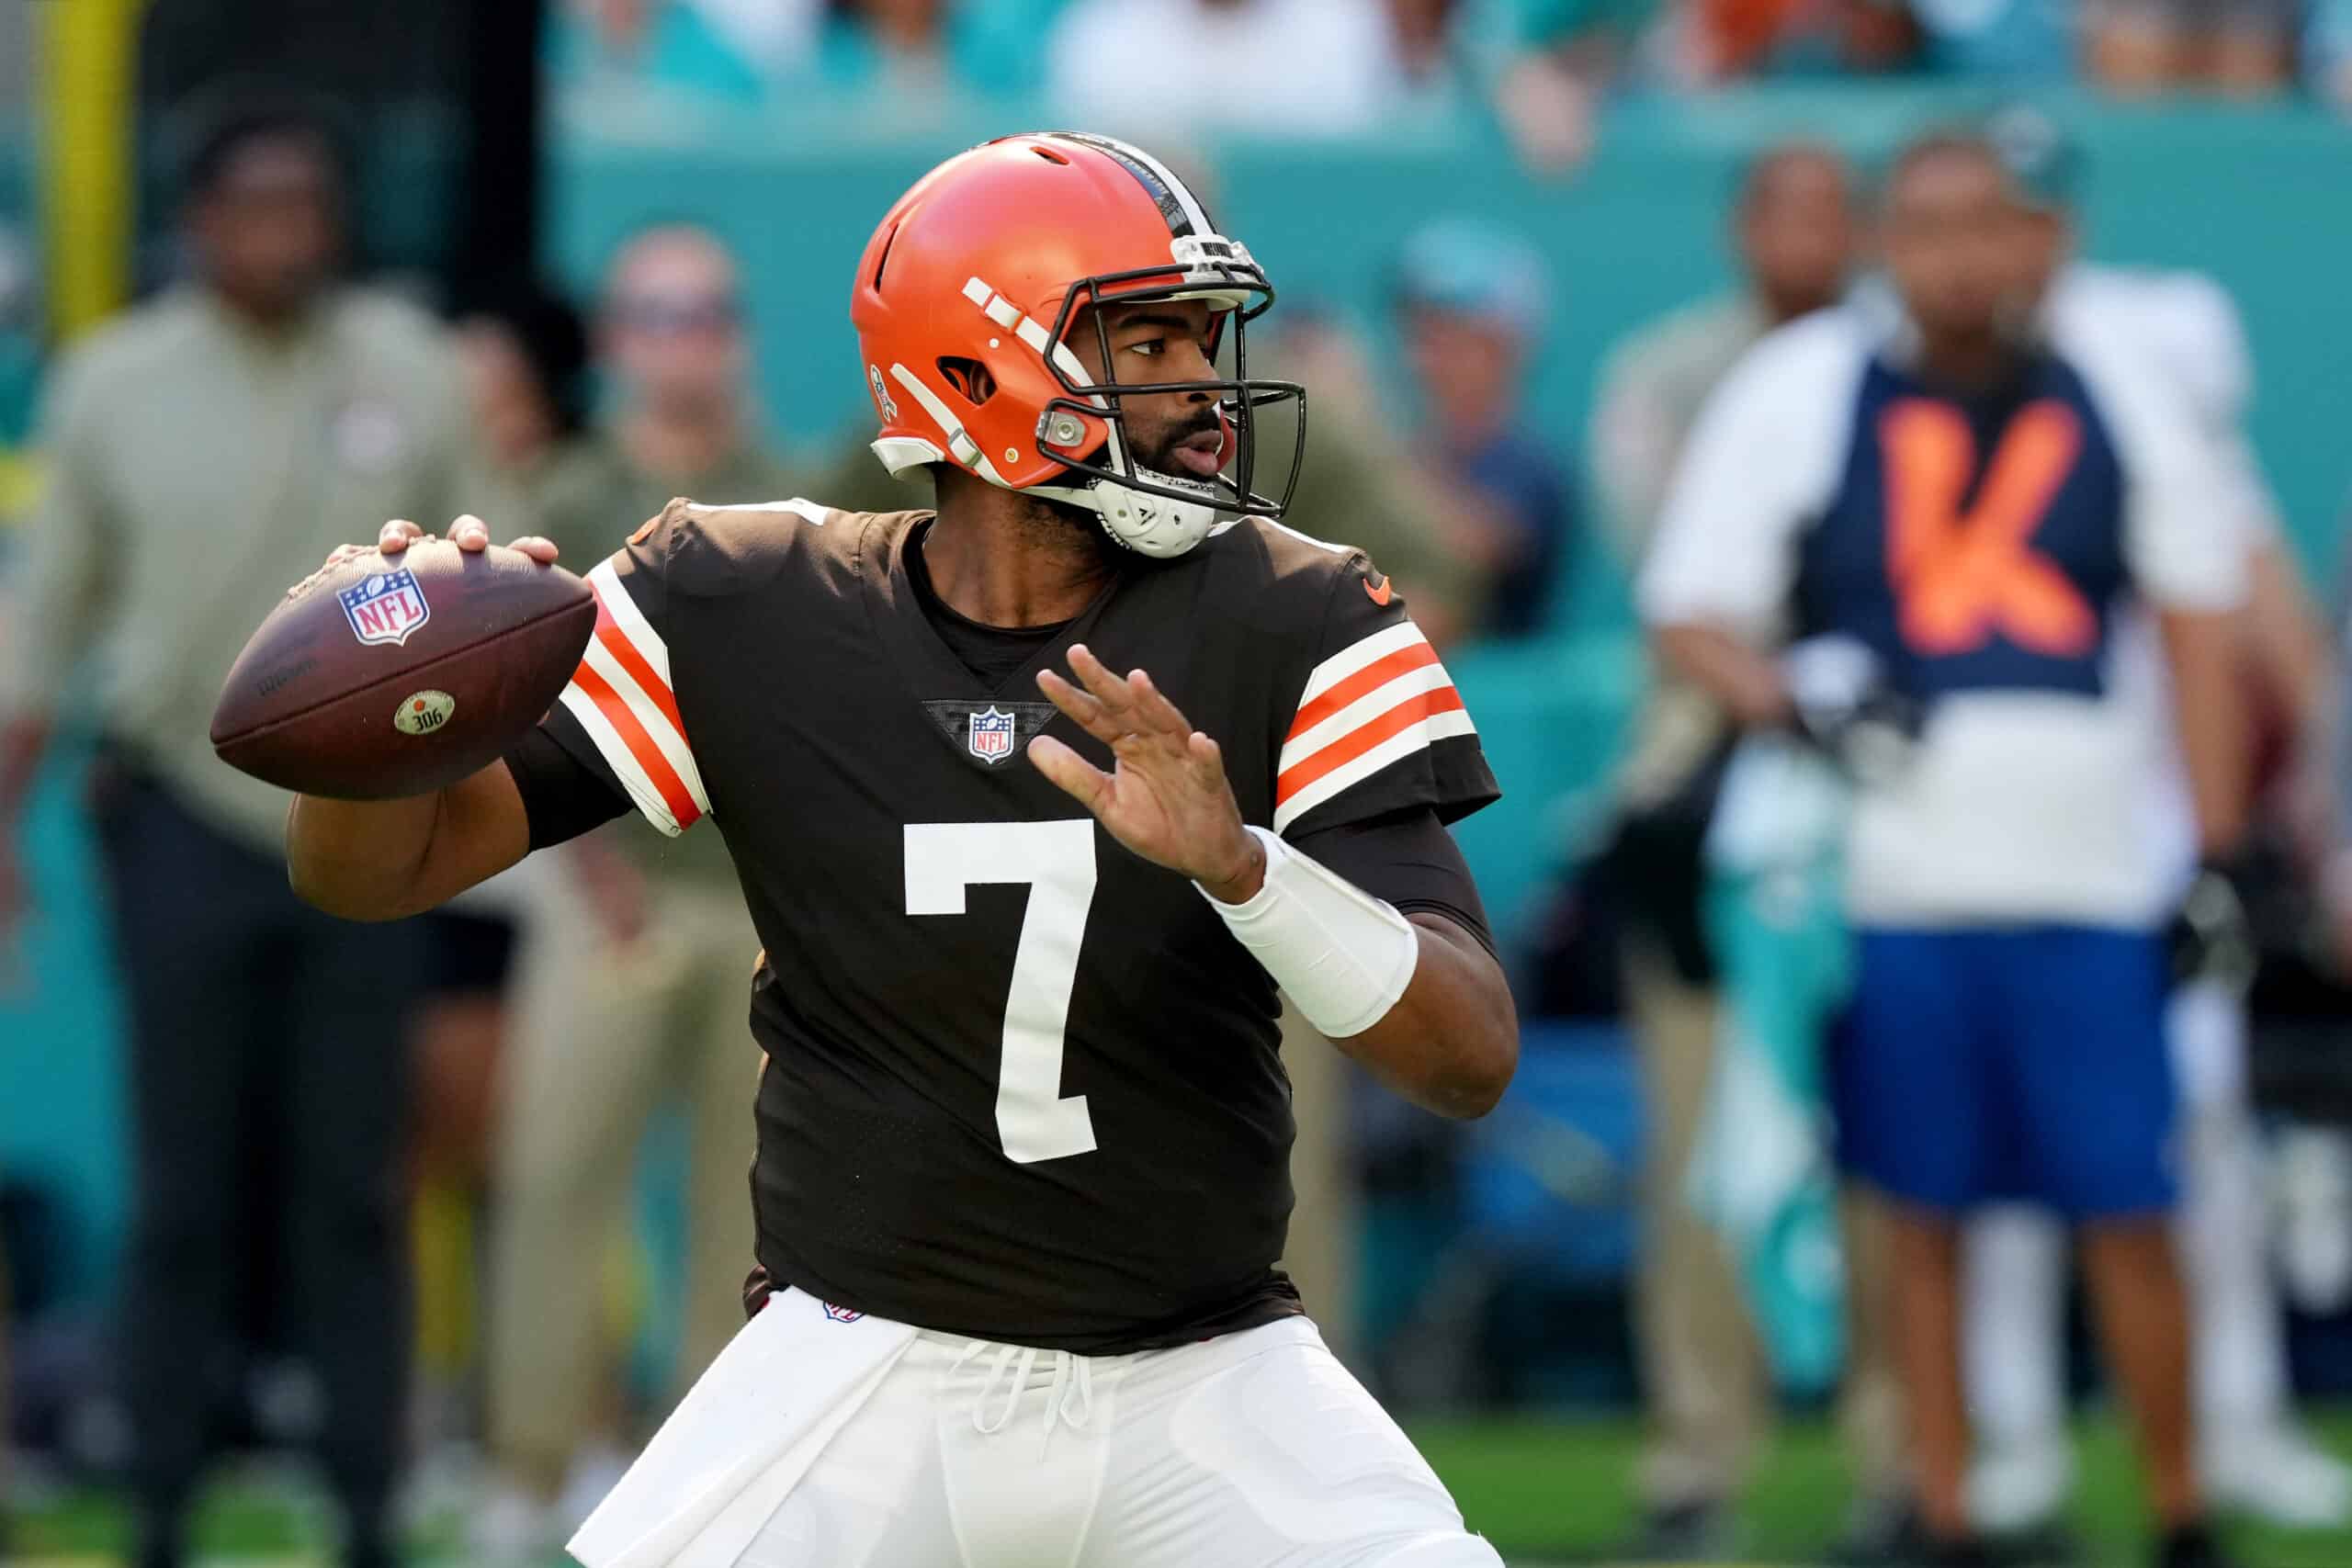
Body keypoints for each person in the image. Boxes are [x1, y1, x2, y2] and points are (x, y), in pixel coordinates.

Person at [287, 131, 1518, 1567]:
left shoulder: (1296, 617)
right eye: (1152, 341)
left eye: (1204, 337)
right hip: (864, 1363)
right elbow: (374, 871)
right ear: (985, 375)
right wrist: (371, 725)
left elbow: (1467, 1053)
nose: (1204, 390)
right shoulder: (740, 601)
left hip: (1207, 1368)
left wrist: (1246, 868)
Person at [1641, 130, 2249, 1568]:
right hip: (1894, 871)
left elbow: (2202, 607)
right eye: (1929, 226)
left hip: (2092, 862)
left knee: (2130, 1203)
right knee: (1918, 1210)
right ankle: (1950, 1505)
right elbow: (1691, 607)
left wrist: (2218, 849)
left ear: (2040, 235)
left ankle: (2179, 1507)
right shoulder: (1804, 386)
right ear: (1882, 242)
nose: (1964, 257)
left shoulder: (2119, 377)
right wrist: (1793, 696)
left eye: (1992, 224)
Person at [0, 88, 493, 1568]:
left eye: (310, 200)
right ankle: (157, 1501)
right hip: (175, 814)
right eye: (256, 202)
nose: (288, 229)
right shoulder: (114, 382)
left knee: (352, 1178)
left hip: (370, 812)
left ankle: (363, 1503)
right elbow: (44, 625)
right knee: (182, 1186)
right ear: (199, 223)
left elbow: (494, 585)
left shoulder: (409, 365)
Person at [1960, 112, 2349, 1538]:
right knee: (1993, 1151)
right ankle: (2013, 1439)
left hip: (2155, 823)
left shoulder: (2150, 344)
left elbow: (2255, 593)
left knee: (2200, 1134)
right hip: (1990, 820)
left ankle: (2232, 1418)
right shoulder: (1914, 372)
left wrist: (2288, 817)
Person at [1587, 142, 1908, 1561]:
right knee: (1704, 1135)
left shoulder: (1914, 374)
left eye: (1836, 206)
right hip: (1709, 790)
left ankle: (1909, 1453)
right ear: (1740, 225)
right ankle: (1699, 1449)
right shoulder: (1669, 371)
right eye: (1787, 204)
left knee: (1895, 1140)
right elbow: (1689, 567)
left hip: (1882, 794)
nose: (1812, 230)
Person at [471, 225, 796, 1562]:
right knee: (554, 1177)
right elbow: (499, 698)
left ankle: (716, 1480)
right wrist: (584, 864)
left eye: (708, 310)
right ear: (615, 339)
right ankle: (527, 1460)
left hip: (752, 900)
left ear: (738, 333)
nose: (685, 337)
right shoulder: (561, 489)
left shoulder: (789, 496)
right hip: (598, 889)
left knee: (749, 1204)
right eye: (657, 313)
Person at [1390, 217, 1574, 638]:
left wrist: (1357, 429)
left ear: (1507, 345)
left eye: (1450, 334)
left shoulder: (1531, 468)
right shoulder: (1409, 449)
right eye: (1419, 332)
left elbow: (1471, 550)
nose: (1427, 356)